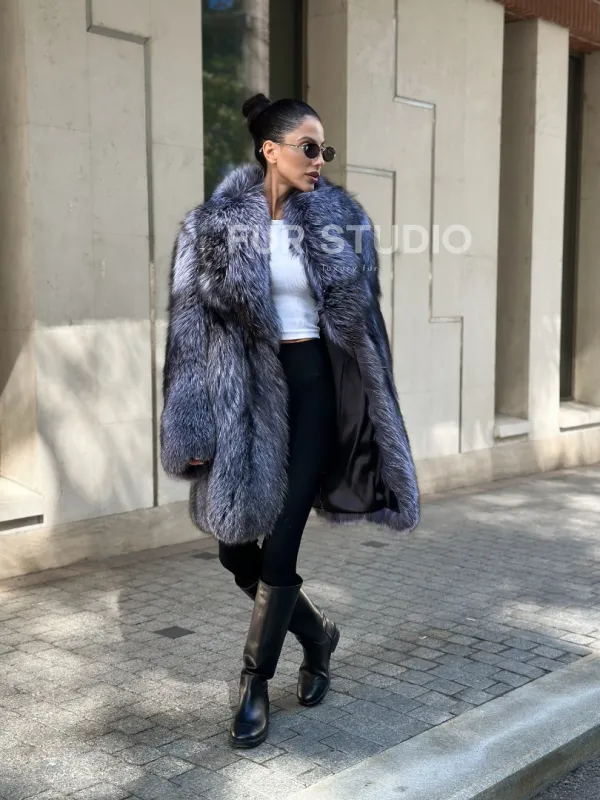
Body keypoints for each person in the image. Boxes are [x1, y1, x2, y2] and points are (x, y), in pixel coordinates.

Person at [160, 93, 420, 749]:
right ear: (269, 149)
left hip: (313, 390)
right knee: (234, 549)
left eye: (324, 149)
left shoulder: (340, 221)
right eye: (309, 146)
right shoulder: (209, 229)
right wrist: (189, 428)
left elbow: (366, 329)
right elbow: (189, 336)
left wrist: (374, 409)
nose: (319, 159)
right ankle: (318, 634)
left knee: (280, 544)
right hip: (247, 398)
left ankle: (253, 683)